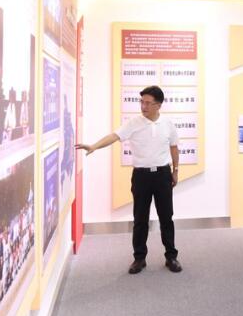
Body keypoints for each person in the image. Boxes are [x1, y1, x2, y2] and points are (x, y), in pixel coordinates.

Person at [76, 85, 182, 274]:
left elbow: (174, 147)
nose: (143, 106)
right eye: (142, 102)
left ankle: (171, 257)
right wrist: (94, 146)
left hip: (163, 175)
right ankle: (139, 258)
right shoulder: (133, 123)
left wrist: (175, 171)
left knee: (166, 217)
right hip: (141, 176)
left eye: (148, 103)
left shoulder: (168, 124)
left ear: (158, 105)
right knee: (140, 219)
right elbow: (114, 136)